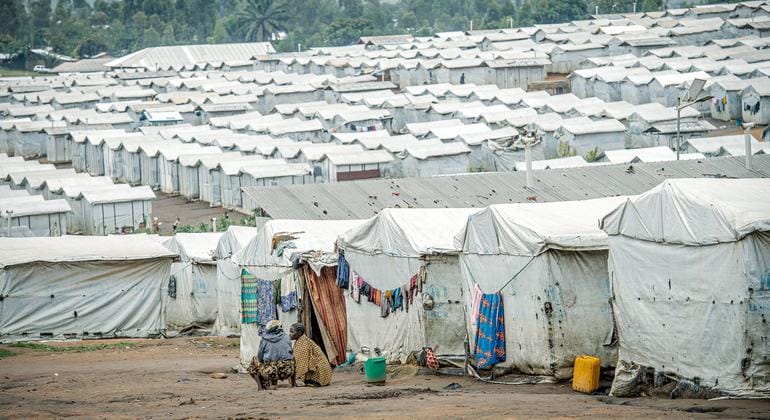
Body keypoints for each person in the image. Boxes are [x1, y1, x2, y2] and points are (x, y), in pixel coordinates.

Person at [248, 320, 295, 390]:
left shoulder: (264, 339)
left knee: (254, 361)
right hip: (287, 371)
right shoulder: (287, 337)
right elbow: (290, 352)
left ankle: (260, 387)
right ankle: (294, 384)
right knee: (293, 358)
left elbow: (260, 357)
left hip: (271, 372)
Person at [289, 323, 332, 387]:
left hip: (321, 373)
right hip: (323, 372)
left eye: (292, 332)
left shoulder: (303, 342)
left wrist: (295, 377)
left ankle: (314, 381)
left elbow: (301, 363)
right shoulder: (301, 340)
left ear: (299, 333)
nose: (290, 334)